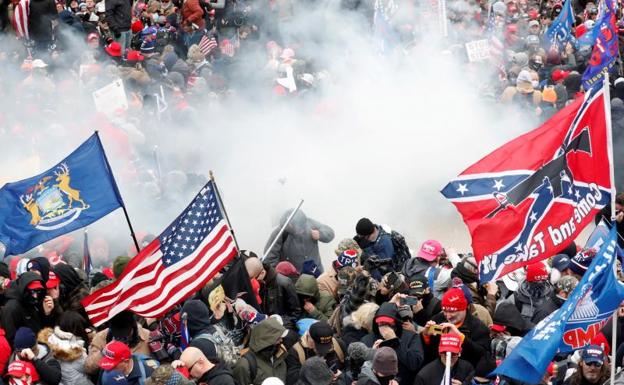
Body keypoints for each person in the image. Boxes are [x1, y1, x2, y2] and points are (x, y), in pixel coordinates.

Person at [422, 288, 490, 370]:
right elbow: (428, 354)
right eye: (445, 311)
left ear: (464, 308)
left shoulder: (478, 327)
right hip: (438, 371)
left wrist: (460, 337)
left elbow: (483, 356)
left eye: (452, 311)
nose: (448, 316)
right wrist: (425, 336)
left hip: (464, 374)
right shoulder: (437, 319)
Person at [361, 300, 424, 385]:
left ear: (396, 323)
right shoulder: (367, 340)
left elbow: (415, 364)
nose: (384, 328)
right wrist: (372, 355)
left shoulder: (411, 337)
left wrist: (395, 342)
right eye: (380, 324)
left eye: (387, 324)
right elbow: (361, 369)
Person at [264, 209, 335, 273]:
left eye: (304, 227)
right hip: (295, 280)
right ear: (290, 224)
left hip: (316, 273)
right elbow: (270, 259)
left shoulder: (309, 223)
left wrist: (320, 234)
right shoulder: (279, 233)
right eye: (300, 228)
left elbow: (330, 233)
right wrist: (280, 277)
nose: (303, 230)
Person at [85, 311, 151, 374]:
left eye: (126, 333)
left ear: (133, 325)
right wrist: (103, 353)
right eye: (118, 334)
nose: (122, 337)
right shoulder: (100, 338)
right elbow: (89, 369)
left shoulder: (147, 336)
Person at [245, 257, 302, 330]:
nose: (251, 282)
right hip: (261, 328)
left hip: (279, 330)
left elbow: (295, 313)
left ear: (262, 273)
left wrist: (278, 321)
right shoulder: (255, 285)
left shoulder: (285, 283)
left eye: (253, 279)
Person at [232, 318, 291, 385]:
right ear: (267, 340)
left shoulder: (280, 358)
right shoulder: (244, 365)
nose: (281, 341)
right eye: (277, 338)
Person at [2, 272, 55, 346]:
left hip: (40, 347)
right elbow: (10, 338)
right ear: (24, 289)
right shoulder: (12, 308)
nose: (35, 296)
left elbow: (42, 328)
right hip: (26, 352)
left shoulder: (39, 301)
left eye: (38, 291)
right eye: (32, 291)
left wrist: (47, 314)